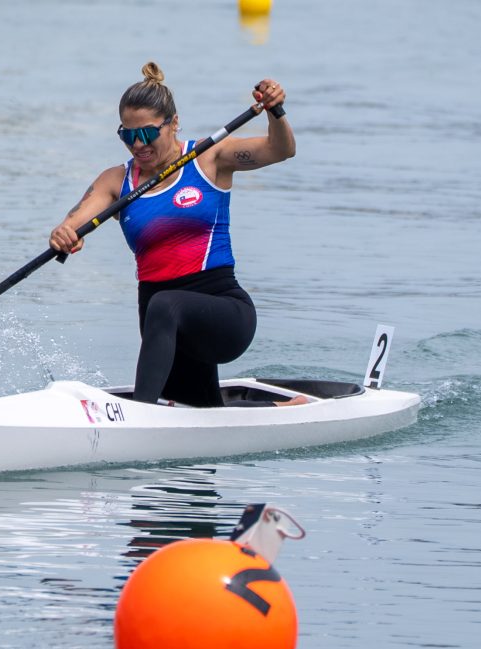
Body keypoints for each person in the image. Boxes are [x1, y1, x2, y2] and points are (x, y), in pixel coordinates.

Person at [50, 62, 303, 408]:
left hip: (222, 313)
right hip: (163, 324)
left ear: (174, 123)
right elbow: (77, 218)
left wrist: (275, 112)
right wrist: (64, 232)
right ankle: (282, 410)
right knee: (199, 410)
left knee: (165, 305)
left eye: (147, 134)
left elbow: (281, 150)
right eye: (128, 135)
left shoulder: (209, 158)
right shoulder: (115, 181)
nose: (138, 145)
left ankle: (139, 419)